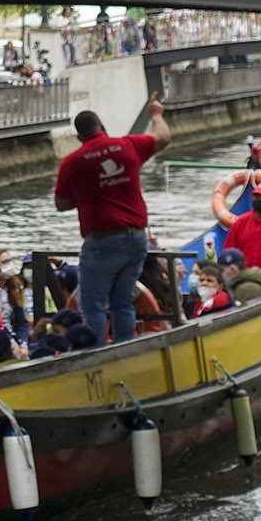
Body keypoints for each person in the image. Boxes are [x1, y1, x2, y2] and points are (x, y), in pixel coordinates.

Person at [53, 95, 171, 344]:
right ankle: (125, 349)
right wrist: (155, 114)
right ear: (103, 128)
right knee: (123, 301)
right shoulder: (128, 146)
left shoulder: (72, 162)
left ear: (78, 137)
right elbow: (163, 138)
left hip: (102, 242)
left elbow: (61, 204)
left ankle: (97, 356)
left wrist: (88, 196)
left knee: (93, 305)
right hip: (136, 239)